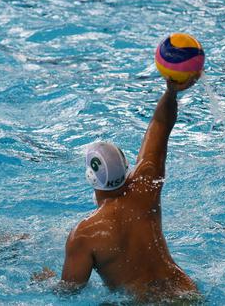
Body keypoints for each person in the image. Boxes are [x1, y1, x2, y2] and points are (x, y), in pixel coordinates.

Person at [36, 76, 200, 302]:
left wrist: (47, 281)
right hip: (187, 294)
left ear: (90, 177)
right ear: (126, 168)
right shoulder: (146, 186)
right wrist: (171, 92)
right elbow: (160, 127)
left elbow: (69, 292)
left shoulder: (85, 234)